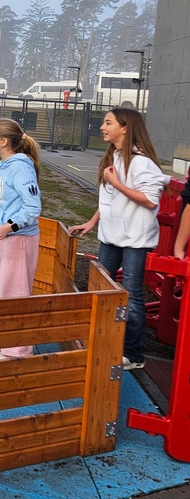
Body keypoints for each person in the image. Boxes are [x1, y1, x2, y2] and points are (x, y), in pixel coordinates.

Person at [69, 109, 169, 371]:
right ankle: (103, 341)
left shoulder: (141, 162)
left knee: (131, 293)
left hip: (134, 237)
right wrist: (92, 222)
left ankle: (134, 354)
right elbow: (110, 198)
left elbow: (149, 200)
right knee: (101, 287)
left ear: (125, 128)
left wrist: (116, 181)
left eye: (108, 122)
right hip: (111, 235)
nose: (102, 127)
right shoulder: (113, 156)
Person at [0, 118, 43, 360]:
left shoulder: (20, 167)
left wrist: (10, 226)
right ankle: (3, 339)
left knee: (14, 292)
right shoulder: (3, 164)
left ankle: (18, 349)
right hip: (3, 237)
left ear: (3, 142)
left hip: (18, 238)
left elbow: (32, 207)